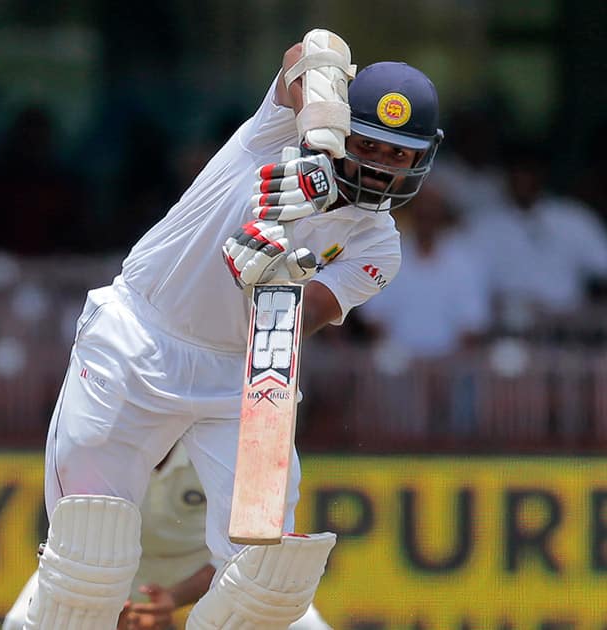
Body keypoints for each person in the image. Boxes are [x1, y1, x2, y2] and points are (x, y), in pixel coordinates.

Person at [22, 28, 443, 629]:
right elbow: (312, 50)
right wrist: (320, 131)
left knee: (267, 579)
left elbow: (302, 321)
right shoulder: (279, 132)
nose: (378, 168)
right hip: (136, 338)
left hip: (247, 372)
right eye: (366, 145)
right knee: (88, 557)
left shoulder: (378, 245)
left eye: (397, 156)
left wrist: (274, 276)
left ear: (421, 158)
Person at [3, 441, 332, 630]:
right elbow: (68, 536)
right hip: (104, 567)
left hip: (204, 571)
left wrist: (175, 598)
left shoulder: (216, 441)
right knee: (19, 622)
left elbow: (242, 555)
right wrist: (99, 601)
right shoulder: (101, 440)